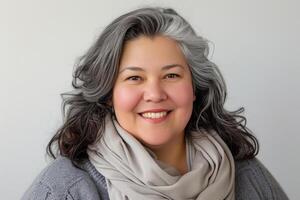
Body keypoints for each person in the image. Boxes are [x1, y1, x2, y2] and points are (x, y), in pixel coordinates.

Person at [22, 7, 289, 200]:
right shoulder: (64, 189)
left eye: (171, 75)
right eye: (134, 77)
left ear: (195, 87)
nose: (155, 93)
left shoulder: (247, 176)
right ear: (107, 94)